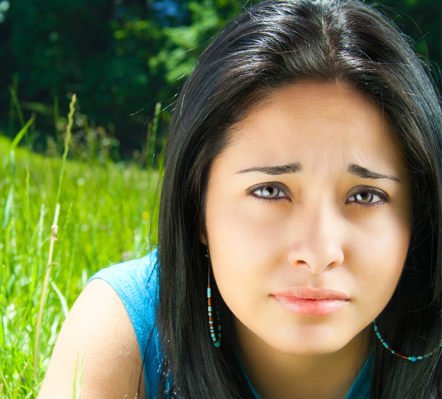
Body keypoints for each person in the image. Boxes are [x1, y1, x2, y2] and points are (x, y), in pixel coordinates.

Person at [38, 0, 442, 397]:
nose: (319, 253)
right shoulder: (125, 329)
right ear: (197, 208)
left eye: (366, 195)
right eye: (270, 191)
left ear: (418, 215)